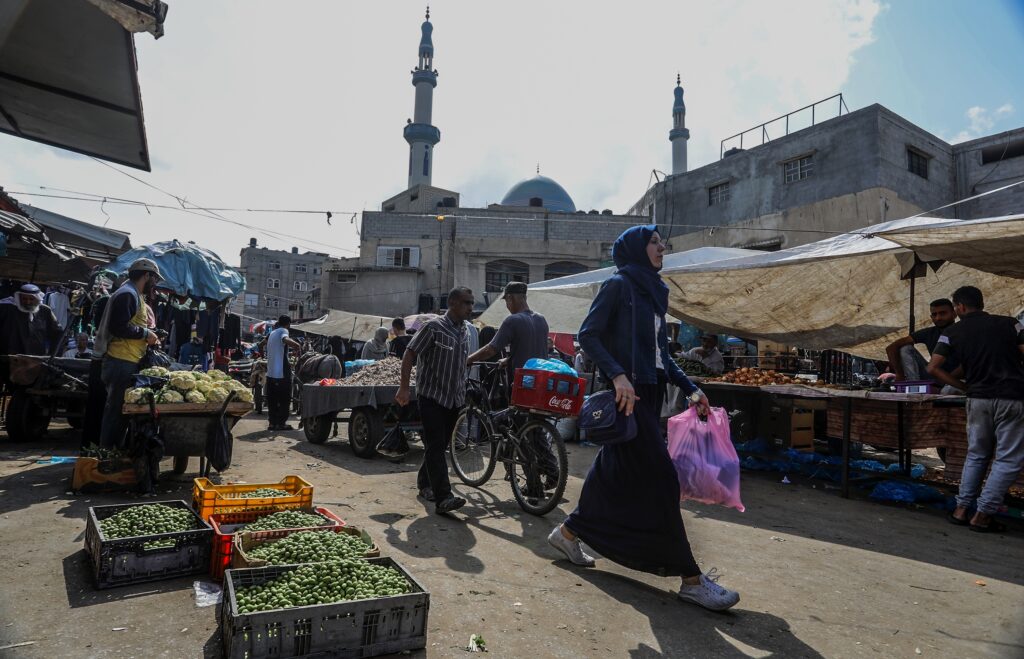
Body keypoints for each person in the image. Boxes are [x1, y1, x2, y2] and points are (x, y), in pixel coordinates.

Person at [547, 224, 740, 611]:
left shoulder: (653, 294)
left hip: (648, 396)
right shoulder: (619, 285)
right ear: (637, 248)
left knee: (612, 474)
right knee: (663, 482)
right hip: (627, 395)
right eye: (654, 242)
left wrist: (691, 388)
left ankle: (567, 533)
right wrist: (617, 374)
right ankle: (690, 578)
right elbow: (589, 335)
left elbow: (661, 355)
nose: (661, 247)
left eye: (661, 242)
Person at [927, 286, 1024, 534]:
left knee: (977, 454)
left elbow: (933, 368)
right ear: (981, 303)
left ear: (959, 307)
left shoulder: (952, 332)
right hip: (1011, 398)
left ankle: (961, 509)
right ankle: (982, 514)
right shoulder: (1010, 324)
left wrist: (961, 386)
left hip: (977, 399)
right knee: (1007, 459)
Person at [467, 281, 559, 481]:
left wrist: (468, 359)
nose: (507, 306)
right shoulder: (541, 320)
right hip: (540, 384)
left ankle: (533, 488)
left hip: (521, 386)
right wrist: (508, 360)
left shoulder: (512, 321)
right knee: (536, 430)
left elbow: (492, 348)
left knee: (520, 433)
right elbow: (536, 352)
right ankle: (553, 474)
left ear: (511, 298)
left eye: (507, 302)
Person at [395, 287, 475, 515]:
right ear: (452, 303)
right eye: (466, 303)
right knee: (436, 446)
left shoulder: (465, 331)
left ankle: (424, 483)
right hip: (431, 397)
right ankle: (444, 497)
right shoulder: (433, 327)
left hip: (454, 399)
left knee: (436, 446)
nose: (470, 308)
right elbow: (409, 353)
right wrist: (403, 388)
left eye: (471, 303)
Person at [94, 259, 162, 448]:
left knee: (122, 412)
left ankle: (115, 454)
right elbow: (119, 327)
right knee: (116, 413)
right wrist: (145, 333)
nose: (154, 284)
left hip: (127, 360)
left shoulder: (135, 294)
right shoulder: (127, 294)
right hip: (120, 361)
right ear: (146, 275)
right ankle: (107, 458)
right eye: (154, 279)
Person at [886, 299, 960, 387]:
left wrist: (946, 380)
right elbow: (891, 347)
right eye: (934, 314)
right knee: (905, 348)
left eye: (943, 313)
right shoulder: (929, 332)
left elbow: (967, 365)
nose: (938, 318)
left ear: (954, 314)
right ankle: (913, 387)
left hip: (958, 379)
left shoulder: (964, 332)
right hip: (934, 378)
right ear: (931, 317)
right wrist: (899, 374)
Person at [0, 283, 63, 357]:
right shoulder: (8, 309)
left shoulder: (45, 311)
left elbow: (57, 333)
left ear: (37, 298)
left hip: (36, 357)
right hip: (10, 356)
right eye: (24, 299)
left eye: (31, 299)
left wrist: (53, 354)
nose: (28, 302)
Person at [266, 315, 301, 431]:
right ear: (288, 324)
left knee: (272, 399)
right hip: (281, 373)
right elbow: (285, 339)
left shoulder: (272, 333)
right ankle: (281, 424)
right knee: (285, 399)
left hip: (270, 372)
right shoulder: (283, 330)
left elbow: (262, 344)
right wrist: (296, 345)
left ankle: (272, 423)